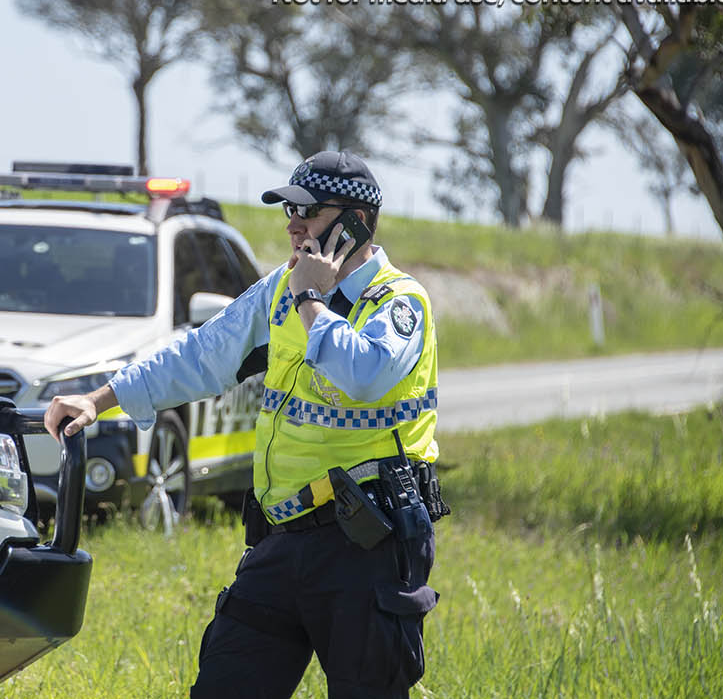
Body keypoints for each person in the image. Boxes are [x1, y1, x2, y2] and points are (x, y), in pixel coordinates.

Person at [44, 150, 443, 699]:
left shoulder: (399, 304)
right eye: (288, 210)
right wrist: (101, 398)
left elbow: (365, 375)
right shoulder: (280, 290)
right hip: (281, 539)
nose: (292, 224)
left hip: (366, 548)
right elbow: (200, 355)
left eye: (309, 211)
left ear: (354, 221)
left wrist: (311, 297)